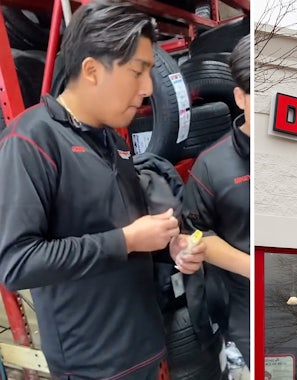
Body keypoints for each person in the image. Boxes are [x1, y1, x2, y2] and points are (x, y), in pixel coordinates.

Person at [0, 1, 205, 379]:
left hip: (145, 351)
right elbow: (17, 264)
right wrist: (125, 240)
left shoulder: (112, 140)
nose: (147, 88)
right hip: (91, 368)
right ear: (92, 70)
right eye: (137, 72)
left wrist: (169, 248)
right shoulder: (30, 141)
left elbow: (120, 231)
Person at [182, 34, 251, 364]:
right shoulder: (211, 166)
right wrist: (257, 268)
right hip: (248, 316)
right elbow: (192, 233)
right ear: (240, 97)